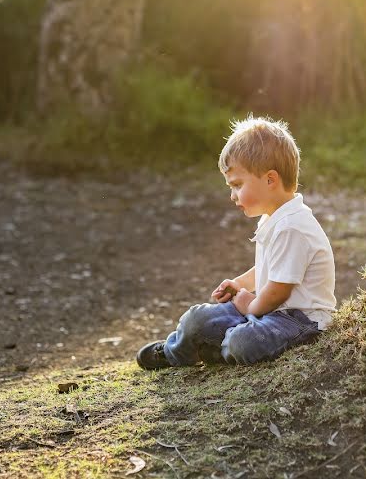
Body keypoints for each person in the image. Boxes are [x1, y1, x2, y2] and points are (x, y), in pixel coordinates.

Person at [136, 116, 336, 369]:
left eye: (238, 185)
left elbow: (278, 291)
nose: (232, 196)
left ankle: (217, 349)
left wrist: (249, 306)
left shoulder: (292, 226)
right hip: (269, 312)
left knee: (241, 342)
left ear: (270, 180)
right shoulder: (274, 218)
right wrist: (239, 284)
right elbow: (270, 270)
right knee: (198, 319)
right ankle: (176, 352)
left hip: (300, 321)